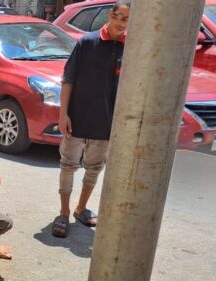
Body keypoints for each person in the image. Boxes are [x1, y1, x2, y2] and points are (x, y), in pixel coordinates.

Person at [52, 0, 130, 238]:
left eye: (126, 19)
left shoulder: (131, 48)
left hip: (105, 123)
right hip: (77, 119)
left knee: (94, 169)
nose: (120, 23)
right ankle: (63, 212)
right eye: (118, 17)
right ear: (110, 14)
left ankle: (81, 208)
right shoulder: (87, 42)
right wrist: (63, 113)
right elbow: (68, 79)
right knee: (68, 166)